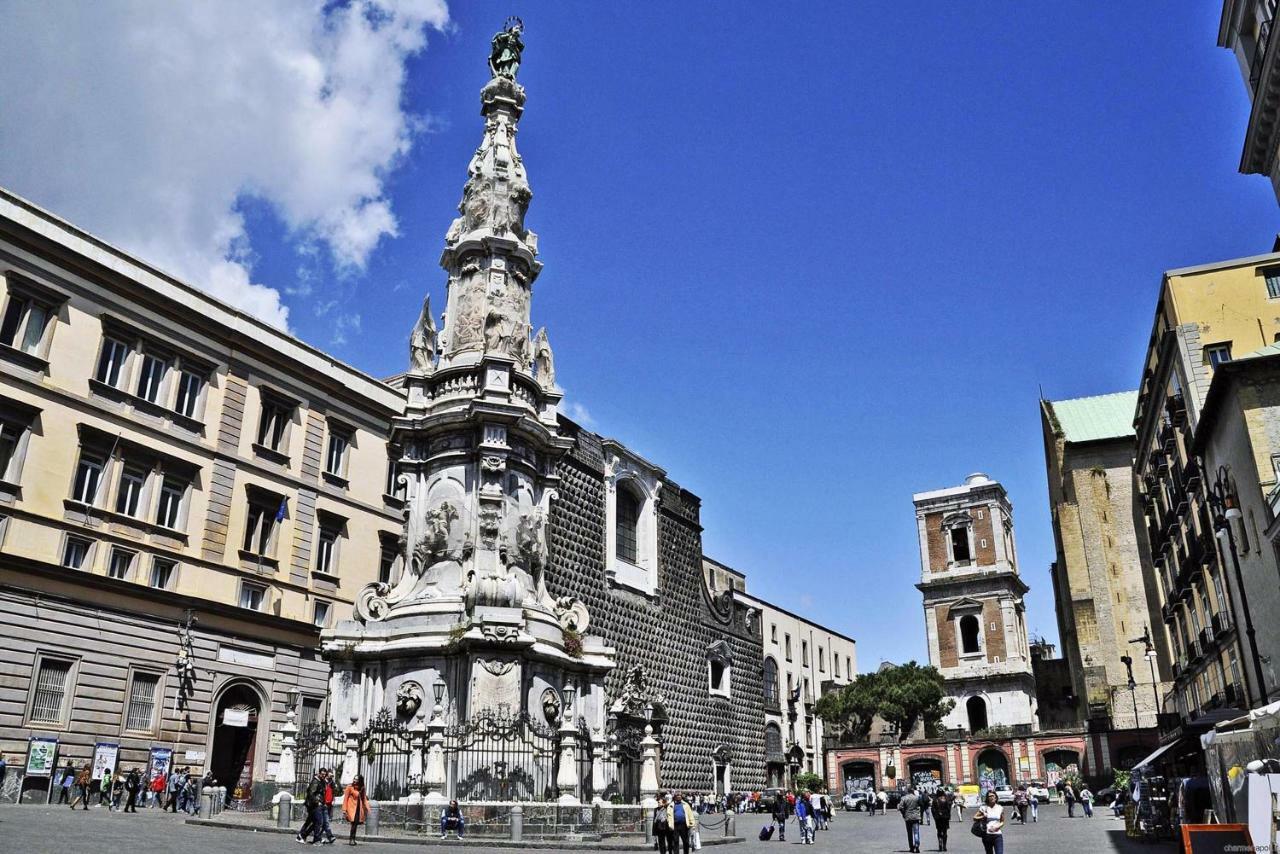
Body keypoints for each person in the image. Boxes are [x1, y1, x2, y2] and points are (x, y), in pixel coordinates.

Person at [342, 774, 370, 846]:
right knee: (353, 824)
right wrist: (344, 810)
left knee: (356, 824)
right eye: (354, 779)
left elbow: (364, 799)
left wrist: (368, 808)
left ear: (360, 781)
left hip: (359, 808)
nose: (354, 780)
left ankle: (353, 839)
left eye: (356, 779)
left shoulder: (362, 788)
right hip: (351, 808)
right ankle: (351, 839)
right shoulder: (349, 787)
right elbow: (345, 799)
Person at [898, 785, 922, 854]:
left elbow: (900, 807)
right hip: (916, 817)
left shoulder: (904, 798)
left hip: (908, 817)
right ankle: (917, 846)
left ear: (907, 791)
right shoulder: (916, 798)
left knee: (909, 833)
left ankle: (911, 847)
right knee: (916, 832)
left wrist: (903, 814)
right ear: (913, 791)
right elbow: (921, 805)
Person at [931, 788, 953, 852]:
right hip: (945, 817)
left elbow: (932, 810)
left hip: (938, 818)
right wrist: (948, 816)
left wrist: (935, 817)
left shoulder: (935, 800)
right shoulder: (946, 799)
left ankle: (940, 843)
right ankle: (944, 846)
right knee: (945, 832)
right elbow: (949, 809)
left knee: (939, 831)